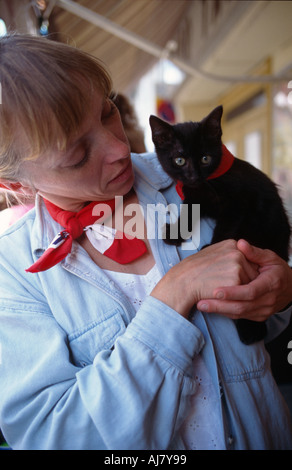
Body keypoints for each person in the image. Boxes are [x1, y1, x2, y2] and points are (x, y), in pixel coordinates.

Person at [0, 33, 291, 451]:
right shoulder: (13, 270)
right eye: (78, 154)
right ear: (14, 182)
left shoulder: (190, 176)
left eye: (108, 112)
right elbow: (54, 436)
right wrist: (173, 295)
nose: (120, 148)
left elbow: (266, 323)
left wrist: (281, 294)